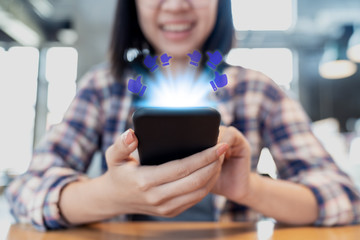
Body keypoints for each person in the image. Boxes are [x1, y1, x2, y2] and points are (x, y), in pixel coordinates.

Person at [5, 0, 360, 231]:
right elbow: (26, 190)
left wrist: (248, 188)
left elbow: (343, 198)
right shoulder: (102, 86)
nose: (175, 5)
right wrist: (109, 195)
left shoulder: (258, 89)